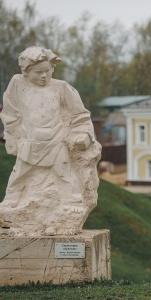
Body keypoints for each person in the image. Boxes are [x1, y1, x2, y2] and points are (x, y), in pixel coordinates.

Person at [0, 46, 101, 236]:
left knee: (64, 172)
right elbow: (10, 111)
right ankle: (12, 200)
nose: (44, 76)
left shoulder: (61, 88)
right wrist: (14, 136)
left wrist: (82, 136)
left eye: (48, 71)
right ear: (26, 71)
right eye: (38, 72)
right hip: (30, 141)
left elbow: (80, 115)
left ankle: (72, 203)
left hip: (56, 140)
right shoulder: (17, 84)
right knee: (20, 172)